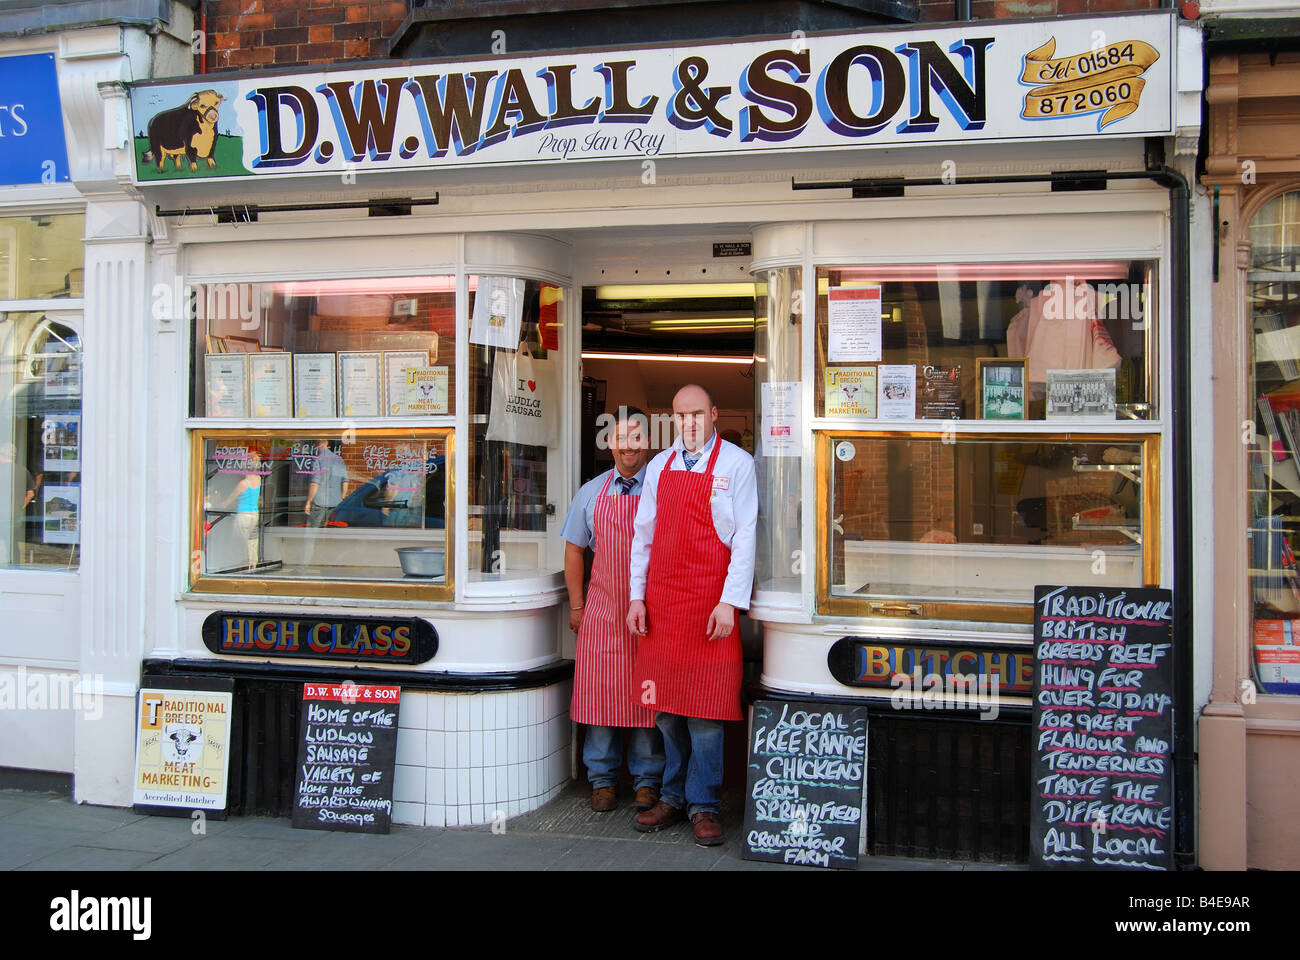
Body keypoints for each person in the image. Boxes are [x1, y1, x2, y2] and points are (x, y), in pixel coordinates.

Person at [626, 384, 757, 846]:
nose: (689, 423)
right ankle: (673, 796)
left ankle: (705, 804)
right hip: (663, 606)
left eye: (697, 413)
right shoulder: (659, 466)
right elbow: (643, 537)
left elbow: (744, 539)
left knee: (706, 714)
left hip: (710, 607)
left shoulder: (738, 465)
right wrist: (636, 597)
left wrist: (730, 601)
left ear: (714, 413)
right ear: (673, 419)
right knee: (665, 712)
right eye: (681, 416)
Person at [561, 406, 664, 812]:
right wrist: (576, 606)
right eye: (621, 438)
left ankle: (647, 780)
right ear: (609, 442)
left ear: (647, 442)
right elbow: (573, 551)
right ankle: (601, 780)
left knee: (647, 698)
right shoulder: (590, 492)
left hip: (649, 615)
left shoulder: (661, 489)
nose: (628, 446)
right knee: (600, 698)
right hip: (602, 614)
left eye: (636, 437)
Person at [216, 451, 263, 571]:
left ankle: (244, 564)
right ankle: (253, 563)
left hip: (243, 515)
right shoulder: (258, 479)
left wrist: (221, 504)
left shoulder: (243, 484)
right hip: (254, 514)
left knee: (241, 541)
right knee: (252, 540)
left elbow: (231, 498)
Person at [304, 439, 349, 526]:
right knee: (330, 533)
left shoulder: (317, 460)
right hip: (335, 503)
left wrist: (308, 502)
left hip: (319, 503)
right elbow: (345, 481)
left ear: (314, 445)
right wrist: (342, 497)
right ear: (327, 443)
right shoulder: (338, 459)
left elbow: (314, 483)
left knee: (313, 533)